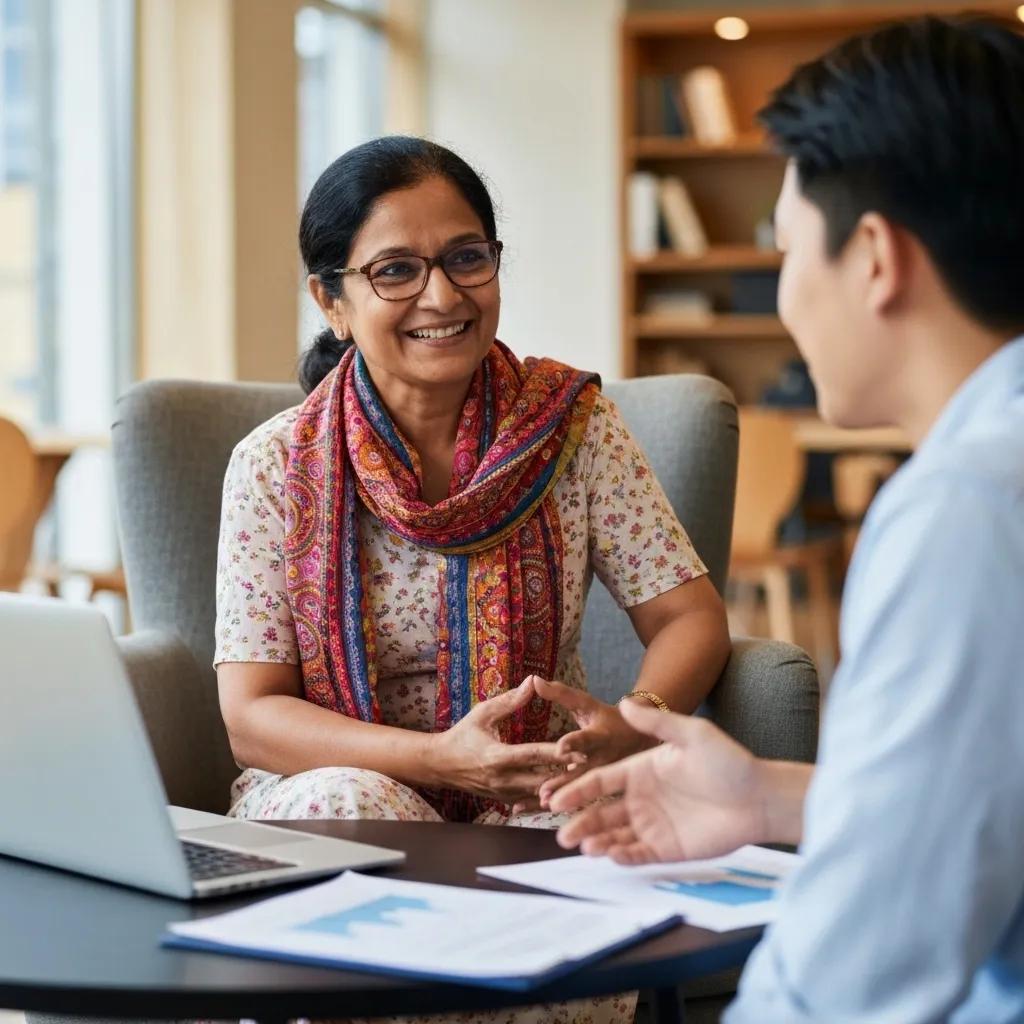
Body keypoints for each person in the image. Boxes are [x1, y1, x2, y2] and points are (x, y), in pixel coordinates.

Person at [548, 15, 1024, 1023]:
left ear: (874, 257)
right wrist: (771, 796)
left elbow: (857, 972)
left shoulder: (965, 510)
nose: (786, 296)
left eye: (784, 249)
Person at [213, 136, 730, 1023]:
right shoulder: (273, 466)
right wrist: (436, 761)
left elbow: (691, 617)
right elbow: (253, 717)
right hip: (340, 791)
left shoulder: (574, 430)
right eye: (395, 272)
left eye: (466, 258)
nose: (443, 296)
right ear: (331, 301)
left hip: (537, 789)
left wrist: (630, 724)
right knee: (350, 808)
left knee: (599, 863)